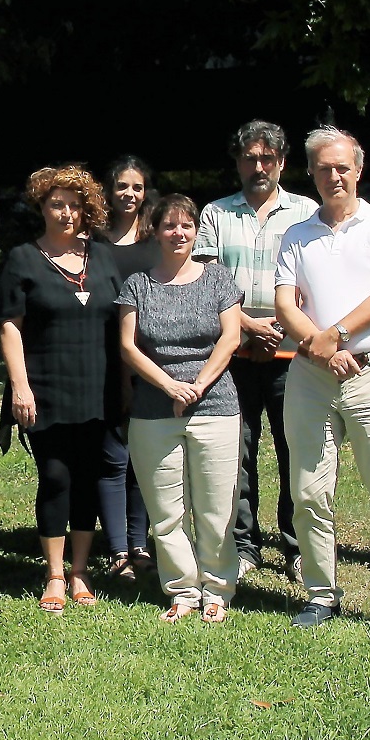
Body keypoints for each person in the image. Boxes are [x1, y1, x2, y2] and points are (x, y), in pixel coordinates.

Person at [273, 126, 370, 639]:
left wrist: (335, 335)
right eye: (323, 168)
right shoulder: (296, 235)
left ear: (358, 169)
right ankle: (320, 594)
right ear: (310, 174)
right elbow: (285, 304)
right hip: (311, 377)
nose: (333, 176)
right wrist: (322, 348)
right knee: (309, 493)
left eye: (342, 167)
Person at [0, 164, 125, 612]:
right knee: (54, 477)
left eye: (74, 205)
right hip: (45, 389)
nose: (66, 213)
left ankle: (80, 572)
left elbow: (125, 319)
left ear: (85, 210)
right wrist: (20, 386)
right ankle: (54, 574)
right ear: (42, 207)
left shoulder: (104, 258)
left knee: (88, 477)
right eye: (57, 204)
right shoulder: (23, 258)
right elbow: (10, 326)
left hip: (99, 387)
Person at [195, 120, 317, 576]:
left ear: (282, 162)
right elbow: (205, 282)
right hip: (233, 354)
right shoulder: (215, 214)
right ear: (238, 162)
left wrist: (280, 328)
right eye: (250, 158)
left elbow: (315, 279)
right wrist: (247, 325)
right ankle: (244, 546)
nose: (259, 167)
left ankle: (297, 547)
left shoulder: (307, 211)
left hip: (293, 354)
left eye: (268, 158)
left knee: (296, 452)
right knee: (237, 453)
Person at [116, 194, 245, 623]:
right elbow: (128, 347)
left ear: (196, 231)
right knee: (166, 512)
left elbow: (230, 338)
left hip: (216, 407)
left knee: (216, 510)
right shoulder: (137, 285)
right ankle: (182, 591)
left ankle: (217, 590)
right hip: (154, 411)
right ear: (155, 231)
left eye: (186, 225)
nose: (178, 233)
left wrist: (197, 385)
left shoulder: (218, 279)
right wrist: (169, 385)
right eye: (169, 225)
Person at [93, 156, 159, 580]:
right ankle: (118, 550)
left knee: (144, 456)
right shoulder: (93, 240)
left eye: (136, 186)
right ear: (109, 190)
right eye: (121, 186)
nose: (129, 194)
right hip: (102, 358)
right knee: (112, 456)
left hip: (149, 359)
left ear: (146, 191)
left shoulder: (156, 239)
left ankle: (141, 544)